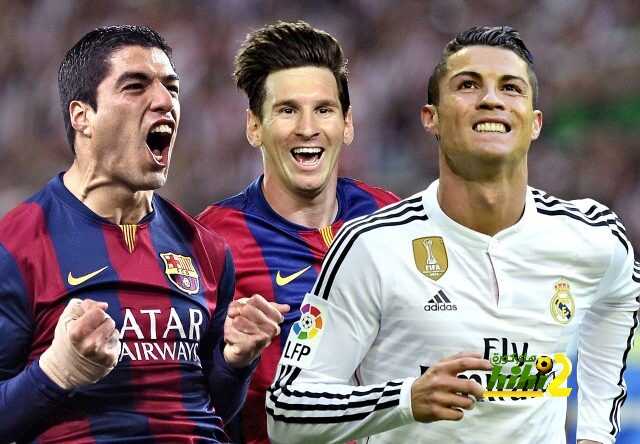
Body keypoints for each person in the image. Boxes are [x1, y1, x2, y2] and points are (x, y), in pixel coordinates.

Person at [267, 26, 639, 444]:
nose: (491, 99)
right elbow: (286, 412)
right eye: (468, 85)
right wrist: (405, 399)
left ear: (534, 123)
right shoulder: (371, 247)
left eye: (511, 87)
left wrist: (596, 433)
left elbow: (620, 297)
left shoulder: (588, 237)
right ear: (432, 118)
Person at [0, 25, 287, 443]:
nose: (163, 101)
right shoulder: (16, 245)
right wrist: (56, 372)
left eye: (171, 87)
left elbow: (213, 406)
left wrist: (236, 361)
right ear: (83, 116)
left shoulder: (205, 248)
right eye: (135, 86)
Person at [197, 21, 399, 443]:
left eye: (323, 109)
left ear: (347, 124)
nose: (307, 127)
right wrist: (231, 360)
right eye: (287, 110)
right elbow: (186, 400)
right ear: (255, 127)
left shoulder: (391, 219)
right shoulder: (213, 241)